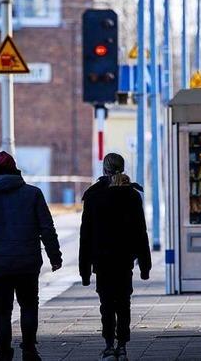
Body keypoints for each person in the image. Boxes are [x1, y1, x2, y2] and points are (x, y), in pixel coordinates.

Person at [0, 151, 62, 361]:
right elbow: (47, 228)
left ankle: (3, 353)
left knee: (1, 309)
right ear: (14, 168)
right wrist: (55, 257)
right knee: (29, 305)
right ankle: (29, 348)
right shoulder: (33, 194)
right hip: (26, 262)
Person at [79, 153, 152, 361]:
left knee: (107, 304)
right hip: (123, 260)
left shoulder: (93, 196)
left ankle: (109, 345)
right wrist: (145, 266)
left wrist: (84, 270)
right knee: (123, 302)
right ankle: (122, 345)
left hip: (102, 261)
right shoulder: (131, 195)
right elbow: (141, 232)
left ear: (104, 169)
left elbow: (86, 235)